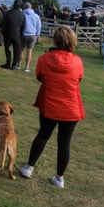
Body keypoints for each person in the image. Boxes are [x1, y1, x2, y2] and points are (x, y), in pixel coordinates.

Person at [20, 25, 85, 189]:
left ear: (55, 40)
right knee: (64, 142)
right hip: (71, 106)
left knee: (43, 134)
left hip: (50, 103)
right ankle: (59, 177)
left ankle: (29, 167)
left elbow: (40, 76)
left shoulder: (45, 59)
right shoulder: (77, 61)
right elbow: (79, 78)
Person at [1, 0, 25, 70]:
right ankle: (14, 64)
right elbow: (23, 27)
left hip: (8, 33)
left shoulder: (8, 13)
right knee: (16, 50)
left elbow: (4, 24)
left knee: (7, 48)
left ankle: (8, 63)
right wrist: (20, 34)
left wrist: (3, 32)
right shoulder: (22, 15)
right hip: (17, 34)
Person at [21, 2, 42, 72]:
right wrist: (37, 35)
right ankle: (27, 67)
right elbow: (38, 27)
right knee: (29, 51)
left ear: (24, 7)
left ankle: (18, 64)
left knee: (21, 50)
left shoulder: (23, 14)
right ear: (31, 7)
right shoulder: (36, 16)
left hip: (24, 34)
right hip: (32, 34)